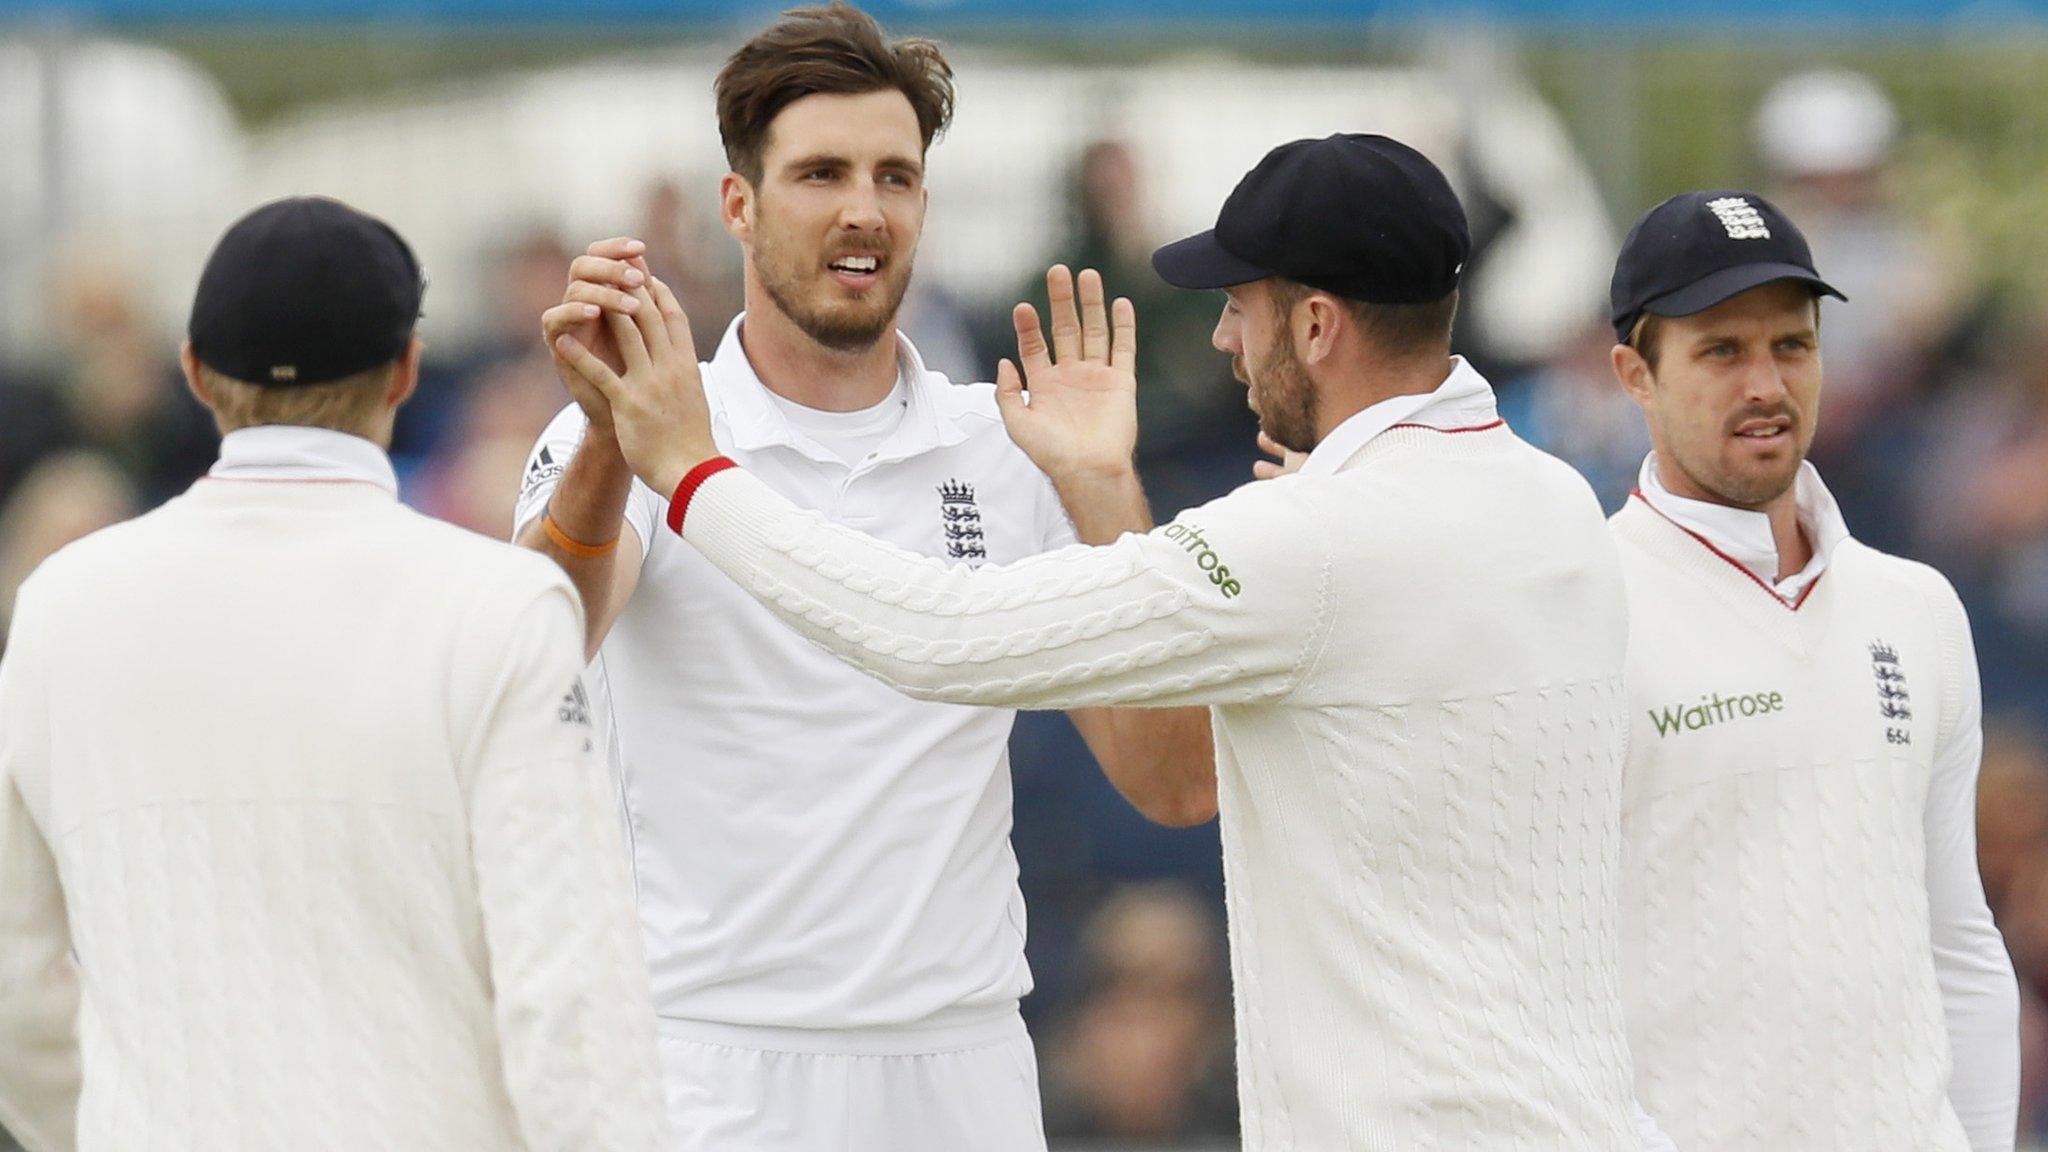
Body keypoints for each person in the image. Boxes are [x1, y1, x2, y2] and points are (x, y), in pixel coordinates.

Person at [558, 131, 1676, 1150]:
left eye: (1241, 306)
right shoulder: (1555, 503)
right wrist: (1116, 480)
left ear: (1319, 326)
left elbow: (931, 638)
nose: (1227, 340)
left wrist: (693, 471)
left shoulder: (1309, 541)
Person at [519, 5, 1211, 1149]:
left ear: (924, 207)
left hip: (962, 1064)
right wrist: (611, 433)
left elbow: (1171, 781)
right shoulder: (648, 425)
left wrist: (1098, 487)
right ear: (737, 205)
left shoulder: (1008, 441)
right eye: (820, 173)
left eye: (895, 176)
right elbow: (534, 646)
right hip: (707, 1064)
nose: (861, 209)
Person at [0, 197, 664, 1152]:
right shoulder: (502, 607)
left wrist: (106, 1124)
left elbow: (18, 979)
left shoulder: (61, 603)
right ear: (405, 370)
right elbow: (571, 996)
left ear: (195, 372)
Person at [1602, 189, 2020, 1151]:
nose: (1767, 384)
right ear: (1636, 374)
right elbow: (1539, 983)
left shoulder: (1916, 608)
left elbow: (1956, 938)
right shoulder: (1580, 610)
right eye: (1721, 351)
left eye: (1792, 346)